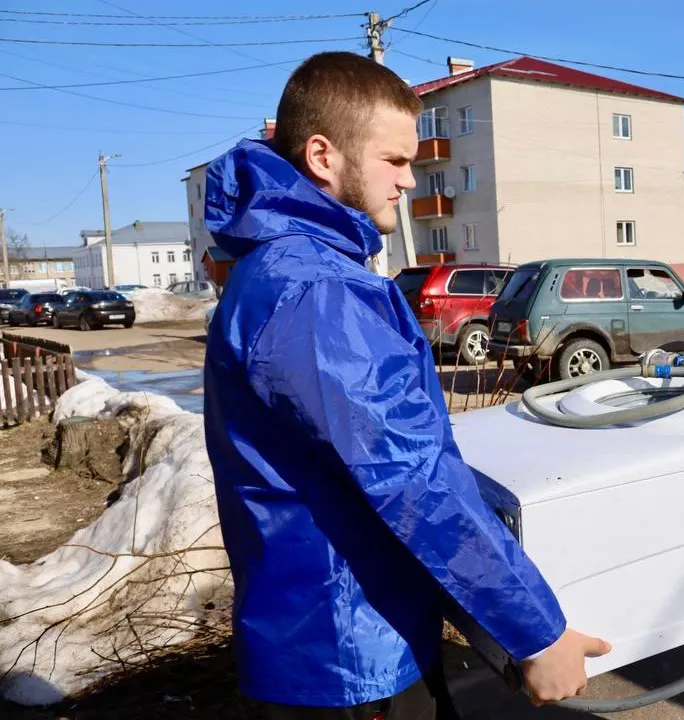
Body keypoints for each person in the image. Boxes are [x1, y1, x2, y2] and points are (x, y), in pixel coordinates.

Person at [203, 52, 609, 719]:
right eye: (394, 161)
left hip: (329, 636)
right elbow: (408, 477)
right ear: (322, 156)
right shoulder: (317, 291)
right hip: (349, 651)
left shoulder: (286, 270)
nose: (410, 181)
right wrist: (536, 633)